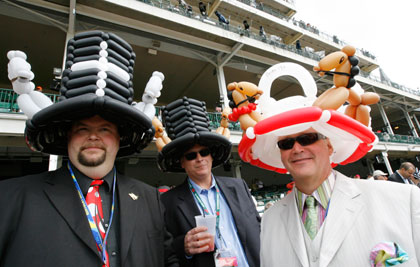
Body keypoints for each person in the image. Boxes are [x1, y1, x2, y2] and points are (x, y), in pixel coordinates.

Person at [0, 31, 178, 267]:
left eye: (105, 129)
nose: (93, 136)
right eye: (82, 129)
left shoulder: (150, 199)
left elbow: (168, 259)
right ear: (68, 137)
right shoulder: (10, 198)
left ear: (119, 139)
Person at [235, 81, 420, 265]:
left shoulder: (405, 199)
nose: (297, 149)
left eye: (308, 138)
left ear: (329, 146)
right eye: (286, 144)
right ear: (281, 154)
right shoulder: (269, 220)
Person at [157, 97, 261, 267]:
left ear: (211, 156)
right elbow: (162, 249)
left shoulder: (238, 186)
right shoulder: (168, 201)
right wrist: (183, 246)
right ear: (182, 162)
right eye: (191, 155)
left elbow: (258, 228)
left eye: (204, 152)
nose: (199, 159)